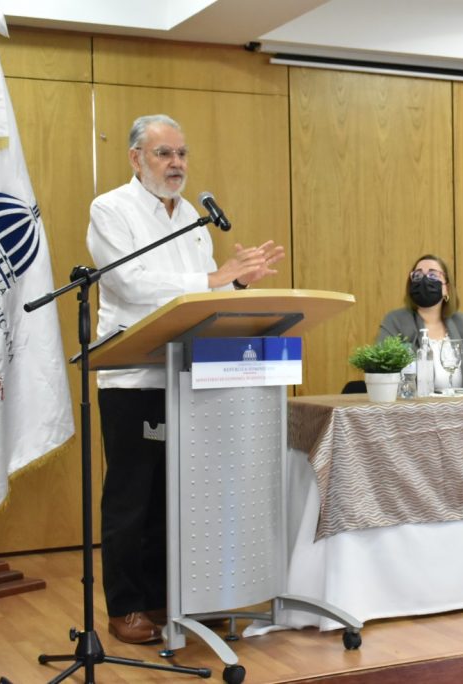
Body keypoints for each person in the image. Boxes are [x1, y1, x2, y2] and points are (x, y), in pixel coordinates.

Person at [87, 114, 285, 644]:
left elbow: (202, 300)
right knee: (134, 497)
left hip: (187, 376)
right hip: (133, 377)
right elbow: (130, 285)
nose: (176, 164)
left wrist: (236, 282)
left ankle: (171, 598)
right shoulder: (111, 209)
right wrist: (213, 278)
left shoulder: (194, 219)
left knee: (180, 495)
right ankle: (127, 606)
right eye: (164, 154)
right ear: (136, 158)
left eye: (182, 154)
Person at [377, 254, 463, 388]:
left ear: (446, 288)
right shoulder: (395, 322)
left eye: (433, 275)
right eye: (417, 276)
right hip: (413, 407)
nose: (424, 280)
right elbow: (380, 373)